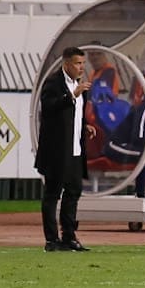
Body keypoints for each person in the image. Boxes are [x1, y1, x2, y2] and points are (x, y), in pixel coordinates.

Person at [35, 47, 97, 252]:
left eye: (82, 63)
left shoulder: (79, 86)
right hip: (55, 152)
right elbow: (48, 107)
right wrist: (71, 95)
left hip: (75, 150)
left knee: (73, 192)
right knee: (52, 194)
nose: (81, 68)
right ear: (66, 64)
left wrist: (84, 126)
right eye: (78, 63)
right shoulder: (53, 83)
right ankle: (51, 240)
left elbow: (73, 115)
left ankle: (69, 237)